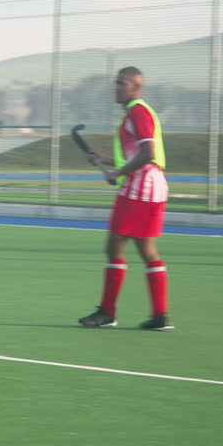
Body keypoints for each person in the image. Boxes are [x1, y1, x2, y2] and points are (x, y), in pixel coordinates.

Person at [78, 66, 172, 330]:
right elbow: (136, 155)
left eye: (122, 83)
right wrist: (105, 160)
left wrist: (118, 173)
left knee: (114, 247)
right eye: (116, 82)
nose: (116, 87)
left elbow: (148, 153)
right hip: (152, 186)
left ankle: (107, 312)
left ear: (136, 87)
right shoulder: (136, 114)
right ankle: (160, 316)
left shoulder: (137, 112)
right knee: (147, 250)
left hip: (140, 186)